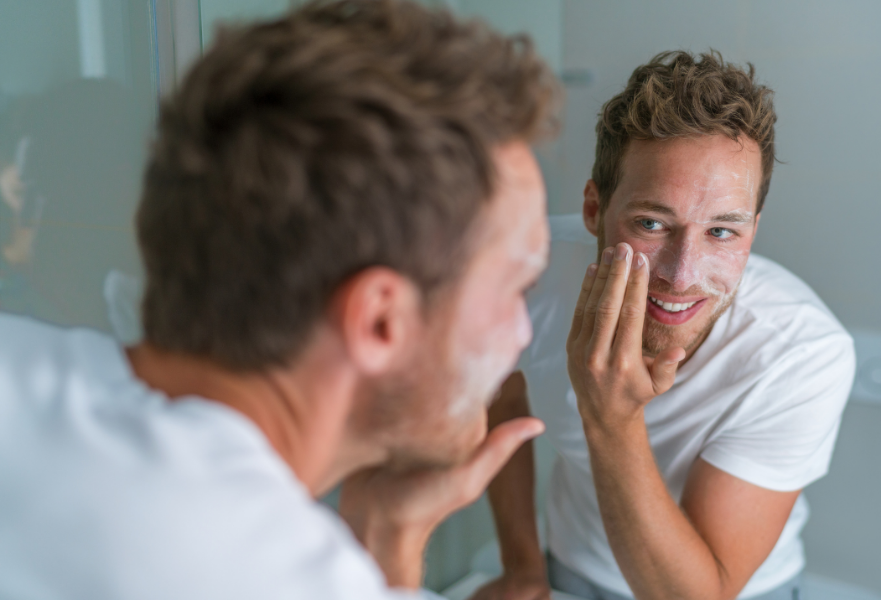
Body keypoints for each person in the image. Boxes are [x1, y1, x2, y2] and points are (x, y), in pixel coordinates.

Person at [0, 1, 560, 598]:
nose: (524, 332)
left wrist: (388, 529)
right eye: (514, 289)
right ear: (379, 321)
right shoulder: (276, 575)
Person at [475, 52, 855, 600]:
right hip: (571, 570)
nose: (681, 275)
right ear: (593, 209)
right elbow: (502, 404)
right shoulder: (526, 274)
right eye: (651, 223)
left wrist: (611, 416)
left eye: (722, 232)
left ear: (754, 228)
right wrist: (522, 566)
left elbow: (700, 593)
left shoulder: (800, 354)